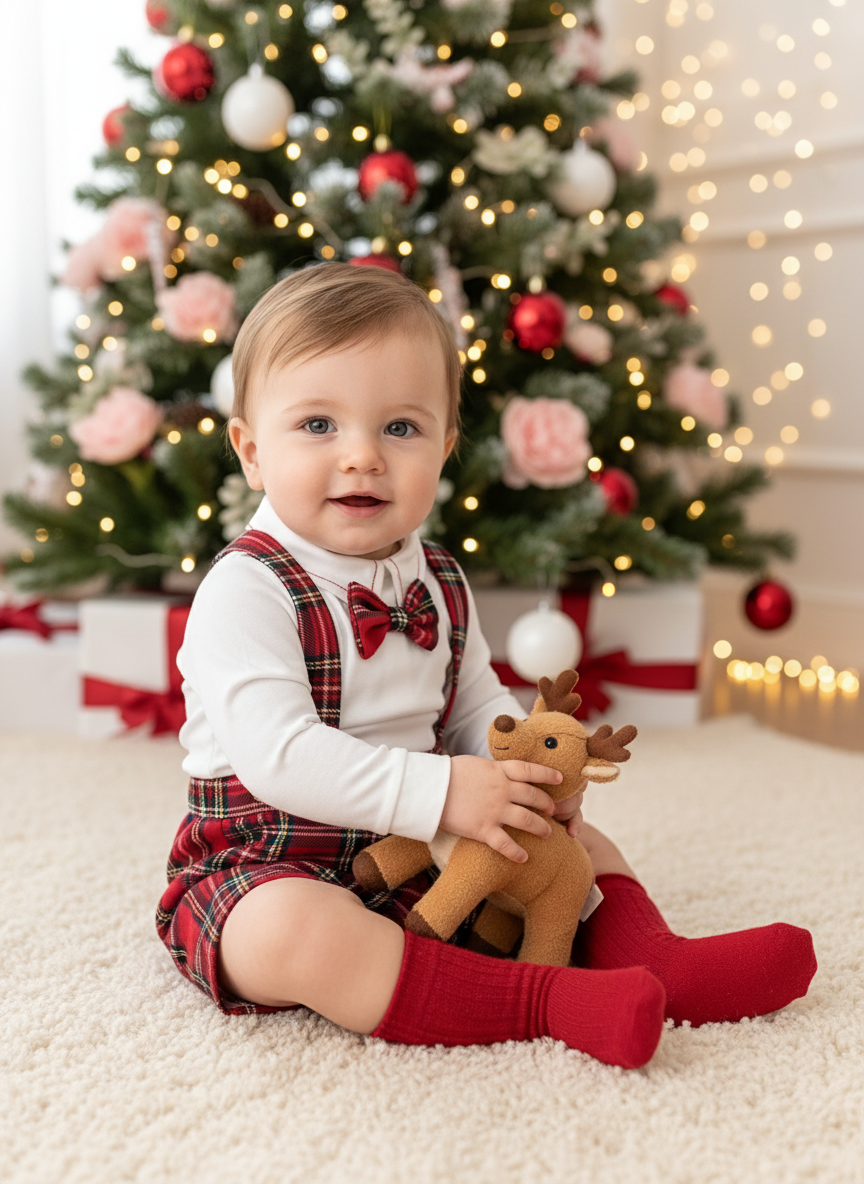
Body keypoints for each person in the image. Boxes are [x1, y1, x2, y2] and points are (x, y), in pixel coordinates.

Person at [157, 263, 815, 1069]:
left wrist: (530, 775)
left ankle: (658, 958)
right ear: (252, 453)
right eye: (318, 426)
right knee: (301, 937)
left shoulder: (438, 577)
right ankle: (544, 1003)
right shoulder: (244, 590)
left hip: (425, 842)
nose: (362, 456)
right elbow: (280, 756)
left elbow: (476, 711)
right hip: (269, 856)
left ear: (444, 446)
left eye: (400, 428)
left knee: (575, 841)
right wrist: (443, 792)